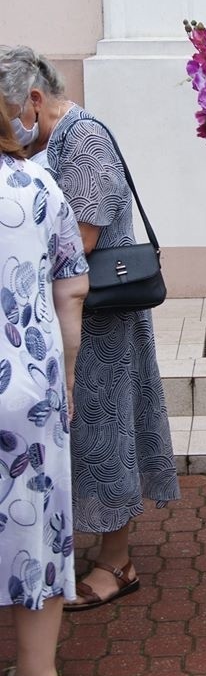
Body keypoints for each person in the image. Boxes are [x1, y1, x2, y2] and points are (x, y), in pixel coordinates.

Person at [0, 46, 180, 611]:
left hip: (103, 317)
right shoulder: (52, 139)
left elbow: (82, 239)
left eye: (7, 112)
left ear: (32, 100)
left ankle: (117, 561)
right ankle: (100, 545)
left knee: (108, 434)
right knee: (87, 435)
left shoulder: (83, 137)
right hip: (75, 315)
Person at [0, 96, 88, 676]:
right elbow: (72, 292)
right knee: (36, 526)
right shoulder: (40, 183)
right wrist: (69, 379)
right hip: (32, 388)